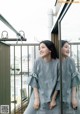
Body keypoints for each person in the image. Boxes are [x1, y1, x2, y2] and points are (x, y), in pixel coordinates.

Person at [23, 40, 60, 114]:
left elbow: (59, 82)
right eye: (39, 48)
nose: (40, 50)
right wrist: (36, 99)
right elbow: (34, 81)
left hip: (54, 95)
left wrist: (53, 99)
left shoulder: (58, 63)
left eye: (43, 47)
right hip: (38, 93)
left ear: (50, 49)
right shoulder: (37, 61)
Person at [59, 40, 79, 114]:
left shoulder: (71, 61)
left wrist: (73, 98)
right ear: (59, 48)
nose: (68, 49)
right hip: (57, 95)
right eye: (66, 47)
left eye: (69, 47)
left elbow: (74, 81)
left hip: (69, 93)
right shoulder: (54, 62)